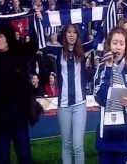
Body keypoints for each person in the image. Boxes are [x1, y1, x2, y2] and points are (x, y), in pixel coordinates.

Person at [38, 24, 96, 164]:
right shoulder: (57, 51)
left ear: (77, 35)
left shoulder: (83, 49)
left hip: (79, 104)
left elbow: (98, 39)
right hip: (63, 105)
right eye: (69, 32)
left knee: (77, 145)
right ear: (64, 34)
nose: (71, 35)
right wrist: (39, 20)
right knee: (66, 144)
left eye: (74, 32)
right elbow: (40, 44)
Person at [93, 27, 127, 164]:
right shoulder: (102, 68)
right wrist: (108, 69)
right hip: (106, 137)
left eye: (121, 43)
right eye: (115, 43)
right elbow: (99, 98)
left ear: (126, 46)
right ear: (109, 45)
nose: (118, 47)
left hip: (125, 137)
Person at [0, 24, 38, 164]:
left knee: (25, 157)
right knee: (2, 158)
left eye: (0, 36)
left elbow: (34, 44)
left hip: (19, 117)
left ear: (8, 38)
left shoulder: (19, 55)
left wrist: (36, 20)